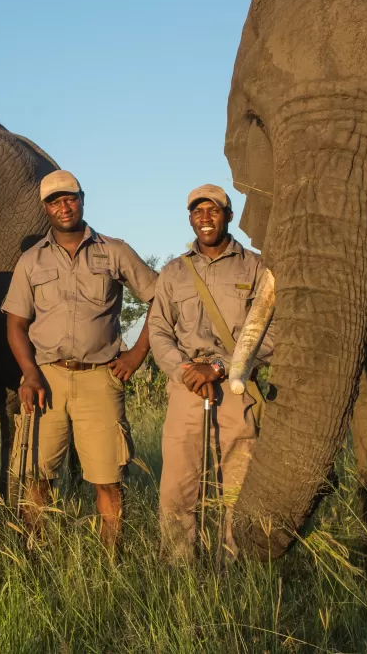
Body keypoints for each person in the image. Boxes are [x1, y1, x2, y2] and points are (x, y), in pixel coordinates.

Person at [2, 170, 157, 550]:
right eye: (55, 201)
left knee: (107, 478)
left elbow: (161, 298)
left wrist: (136, 354)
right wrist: (30, 374)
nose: (64, 206)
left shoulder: (113, 251)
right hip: (46, 379)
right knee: (37, 476)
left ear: (83, 198)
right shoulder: (30, 261)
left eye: (69, 198)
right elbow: (16, 325)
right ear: (45, 209)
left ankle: (111, 565)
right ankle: (34, 560)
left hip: (99, 378)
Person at [148, 184, 274, 563]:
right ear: (190, 219)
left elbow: (274, 331)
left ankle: (232, 563)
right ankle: (178, 565)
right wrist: (184, 369)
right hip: (187, 388)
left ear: (229, 216)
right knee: (178, 484)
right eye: (197, 211)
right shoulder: (173, 272)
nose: (205, 218)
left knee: (236, 480)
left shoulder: (256, 267)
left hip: (236, 386)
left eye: (213, 210)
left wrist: (222, 366)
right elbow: (158, 330)